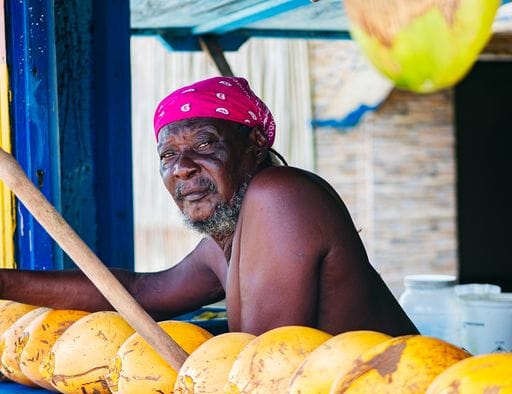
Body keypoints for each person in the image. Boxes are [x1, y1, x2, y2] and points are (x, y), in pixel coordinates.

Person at [0, 76, 417, 336]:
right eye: (168, 156)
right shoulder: (228, 237)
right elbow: (140, 292)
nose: (182, 169)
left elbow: (260, 363)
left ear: (255, 145)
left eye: (204, 144)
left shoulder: (279, 194)